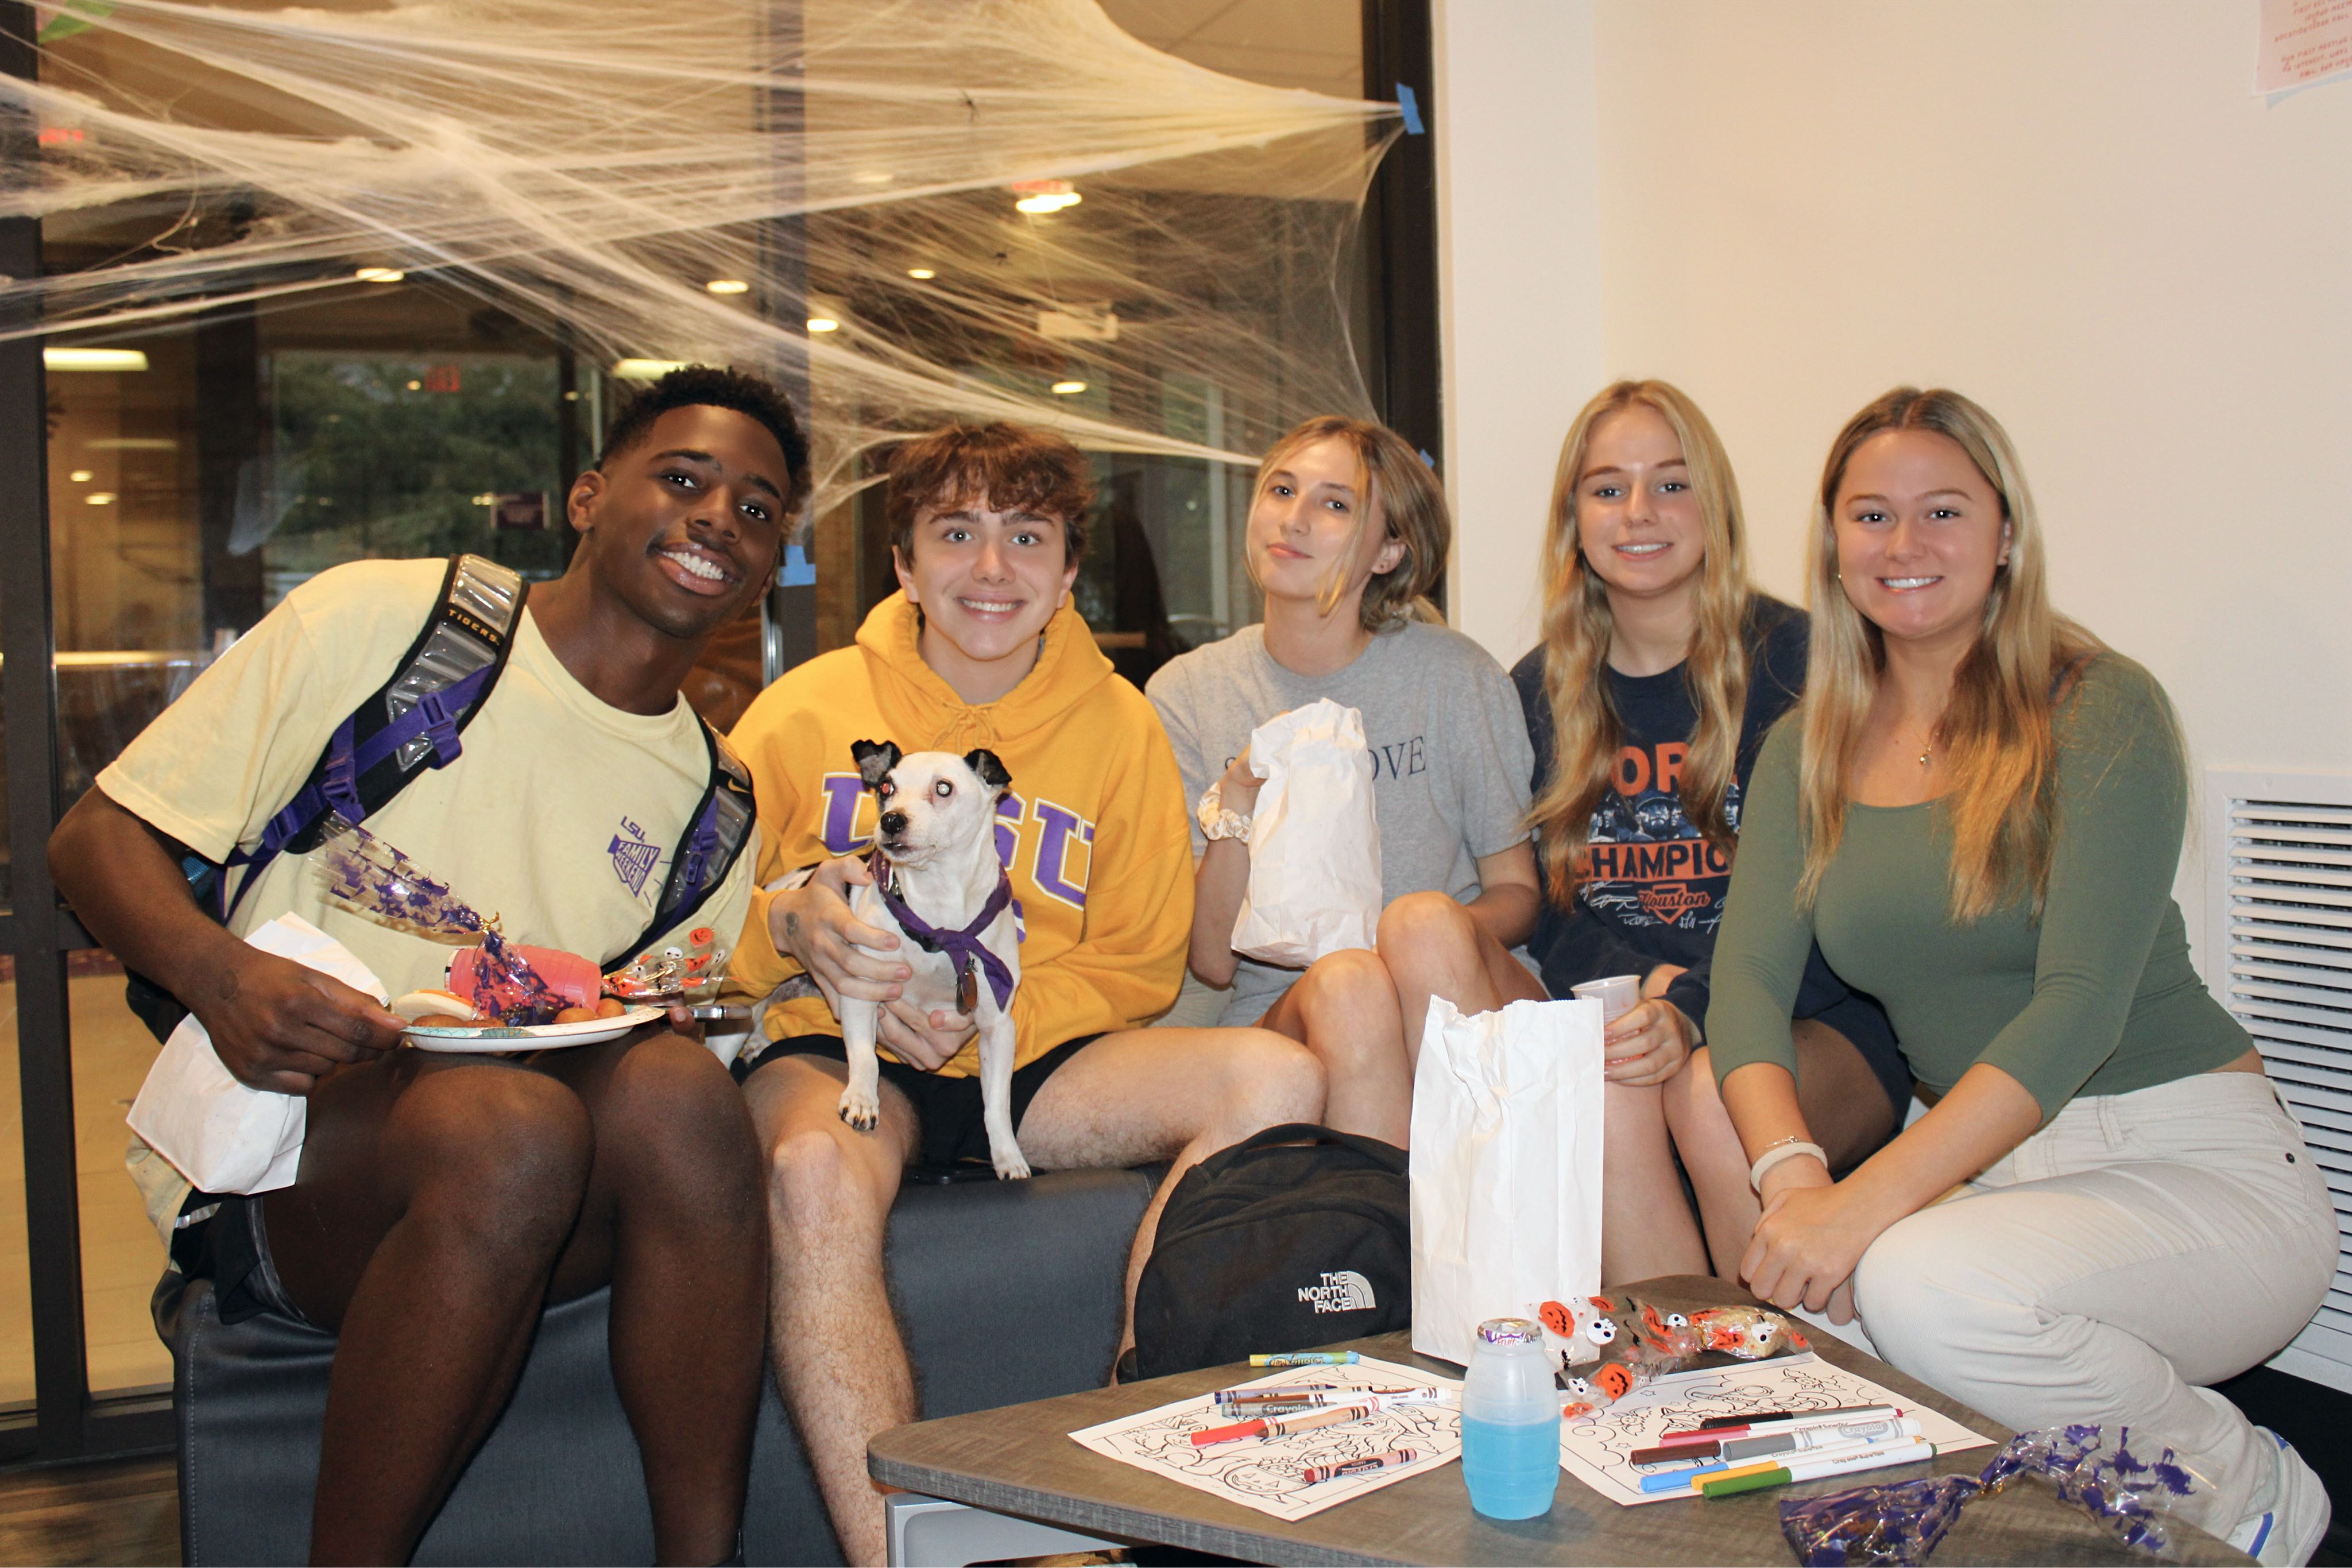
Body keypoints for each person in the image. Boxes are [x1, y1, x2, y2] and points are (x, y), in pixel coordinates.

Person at [51, 365, 804, 1566]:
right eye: (683, 477)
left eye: (758, 508)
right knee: (508, 1128)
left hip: (526, 1169)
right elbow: (94, 837)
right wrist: (221, 977)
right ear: (586, 496)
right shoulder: (388, 624)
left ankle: (702, 1558)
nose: (721, 516)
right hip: (285, 1149)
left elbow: (638, 1037)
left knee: (675, 1097)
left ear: (769, 564)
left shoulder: (715, 801)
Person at [1707, 387, 2336, 1564]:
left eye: (1942, 511)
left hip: (2188, 1161)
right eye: (1870, 515)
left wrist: (1862, 1200)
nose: (1904, 545)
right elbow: (1741, 979)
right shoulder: (1807, 745)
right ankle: (2068, 1495)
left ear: (2004, 535)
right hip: (1983, 1165)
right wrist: (1793, 1178)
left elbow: (2078, 1007)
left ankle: (2241, 1482)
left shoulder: (2099, 704)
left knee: (1919, 1287)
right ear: (1833, 547)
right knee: (1807, 1314)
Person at [725, 421, 1322, 1567]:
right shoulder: (800, 714)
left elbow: (1144, 953)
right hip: (844, 1046)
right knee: (809, 1172)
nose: (989, 569)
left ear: (1064, 575)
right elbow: (701, 930)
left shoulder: (1118, 727)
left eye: (1025, 537)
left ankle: (1118, 1464)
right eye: (955, 533)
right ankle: (897, 1551)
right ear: (903, 563)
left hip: (1033, 1047)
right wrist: (797, 931)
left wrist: (991, 1009)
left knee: (1279, 1075)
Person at [1511, 380, 1908, 1286]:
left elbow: (1839, 899)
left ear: (1715, 505)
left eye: (1672, 484)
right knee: (1600, 1087)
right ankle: (1684, 1375)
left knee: (1712, 1088)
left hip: (1819, 1019)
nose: (1640, 512)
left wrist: (1694, 1003)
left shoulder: (1804, 662)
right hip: (1641, 1017)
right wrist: (1642, 995)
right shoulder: (1539, 689)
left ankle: (1800, 1375)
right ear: (1574, 518)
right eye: (1608, 488)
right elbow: (1550, 907)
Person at [1146, 415, 1539, 1148]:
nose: (1292, 519)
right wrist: (1236, 799)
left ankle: (1482, 1223)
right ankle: (1386, 1249)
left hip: (1458, 986)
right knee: (1349, 983)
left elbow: (1517, 892)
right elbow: (1211, 962)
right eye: (1281, 490)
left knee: (1418, 923)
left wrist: (1407, 944)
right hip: (1294, 1008)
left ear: (1390, 549)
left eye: (1334, 504)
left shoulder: (1454, 676)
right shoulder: (1188, 694)